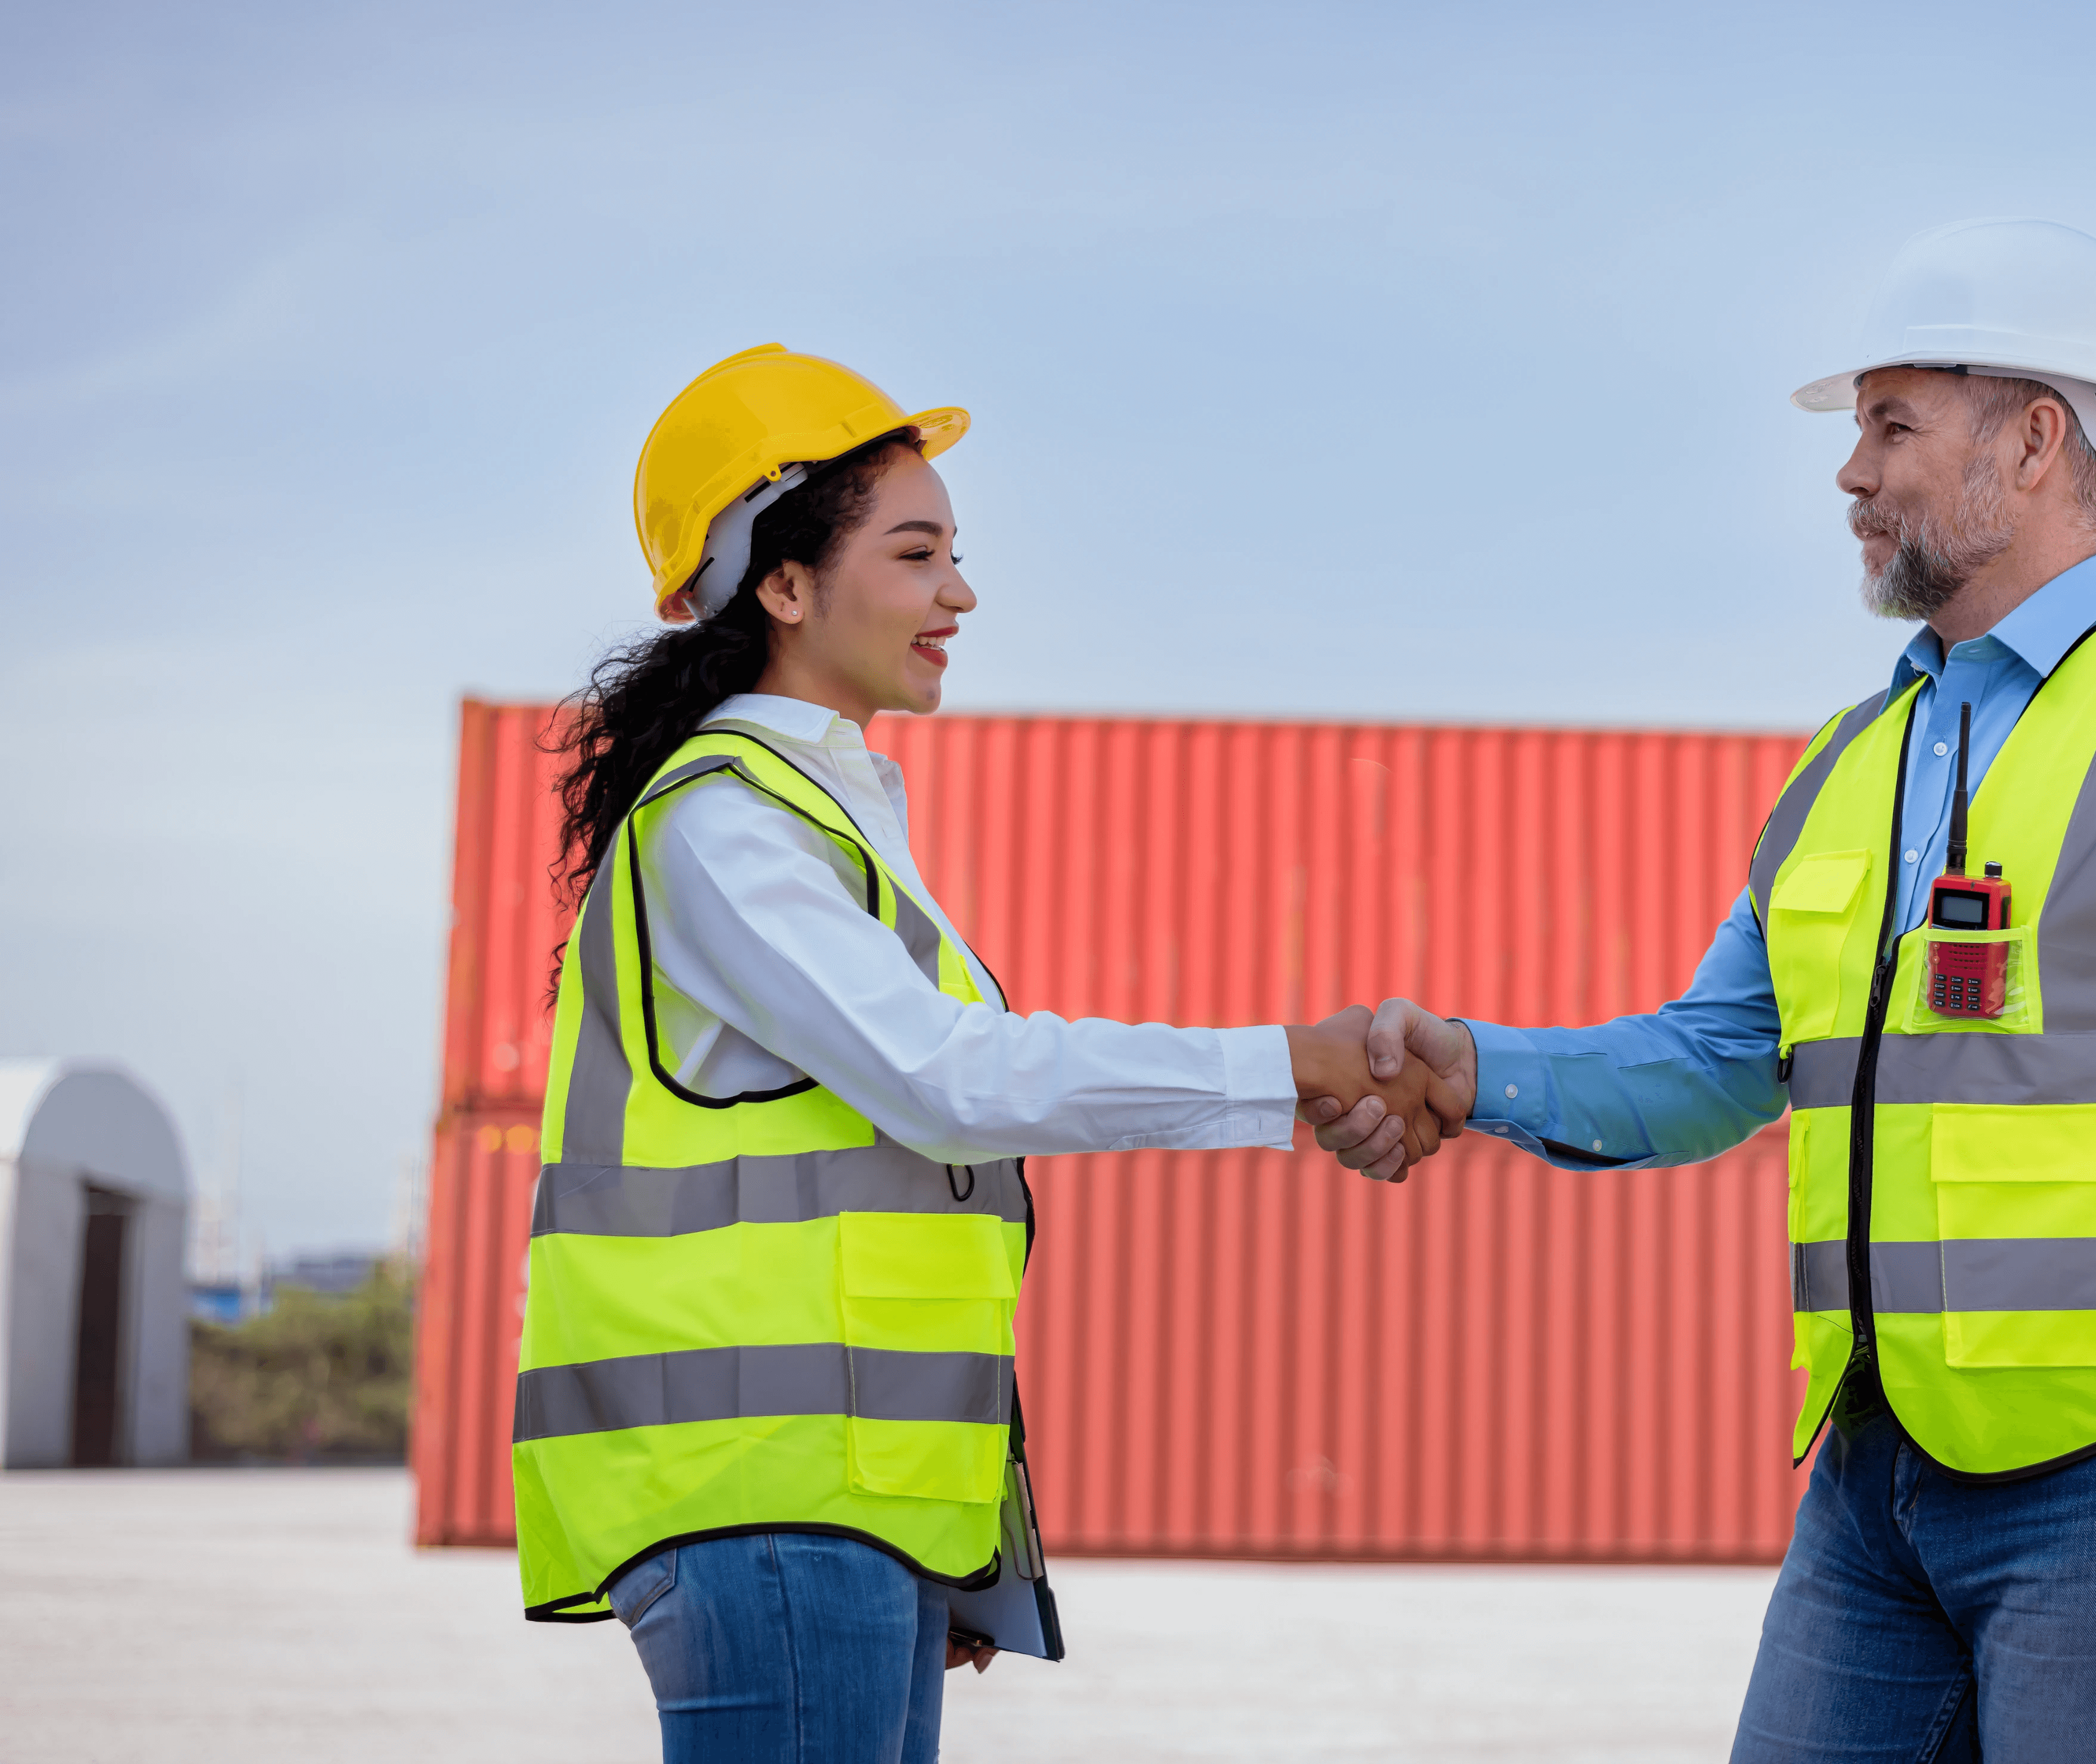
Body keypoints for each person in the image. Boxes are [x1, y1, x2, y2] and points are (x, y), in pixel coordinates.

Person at [1309, 221, 2096, 1761]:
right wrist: (1468, 1072)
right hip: (1870, 1484)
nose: (1850, 474)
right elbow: (1714, 1062)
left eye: (1891, 426)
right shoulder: (1843, 767)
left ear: (2032, 442)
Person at [518, 344, 1448, 1764]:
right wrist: (1298, 1065)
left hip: (847, 1510)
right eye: (918, 552)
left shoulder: (821, 822)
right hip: (767, 1504)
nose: (961, 592)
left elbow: (896, 1207)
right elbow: (953, 1083)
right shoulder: (724, 824)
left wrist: (952, 1531)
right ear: (782, 583)